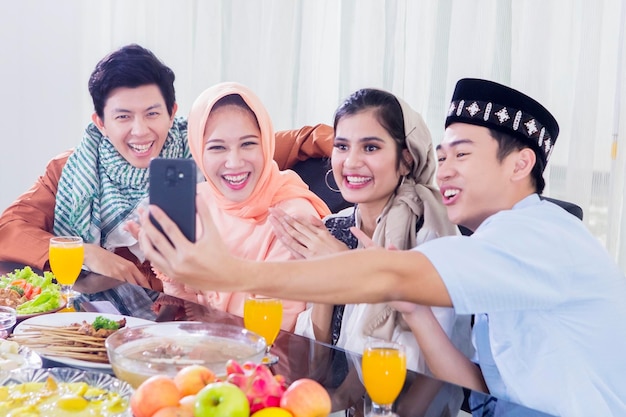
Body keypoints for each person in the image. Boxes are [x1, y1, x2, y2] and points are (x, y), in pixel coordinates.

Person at [137, 78, 626, 417]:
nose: (446, 170)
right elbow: (479, 389)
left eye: (463, 154)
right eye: (442, 156)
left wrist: (230, 273)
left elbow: (390, 274)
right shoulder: (496, 246)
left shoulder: (539, 237)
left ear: (520, 165)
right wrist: (409, 306)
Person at [0, 44, 334, 319]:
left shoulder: (205, 148)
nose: (140, 130)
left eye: (152, 113)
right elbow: (11, 227)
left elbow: (294, 140)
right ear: (100, 122)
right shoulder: (70, 170)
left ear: (172, 112)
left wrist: (361, 153)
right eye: (123, 117)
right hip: (92, 320)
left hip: (181, 319)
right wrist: (86, 252)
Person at [270, 87, 471, 416]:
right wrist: (326, 282)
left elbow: (430, 366)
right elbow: (317, 363)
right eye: (342, 146)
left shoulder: (430, 236)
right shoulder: (333, 227)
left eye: (371, 147)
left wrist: (347, 266)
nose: (351, 162)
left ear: (406, 159)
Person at [148, 82, 331, 330]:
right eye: (217, 147)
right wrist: (172, 273)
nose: (234, 162)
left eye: (248, 144)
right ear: (198, 151)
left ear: (266, 143)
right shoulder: (198, 201)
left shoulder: (294, 219)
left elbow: (278, 333)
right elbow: (187, 305)